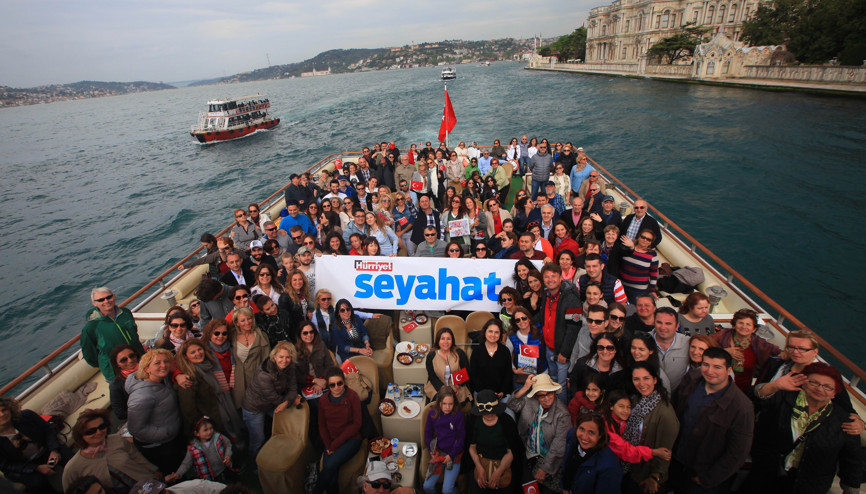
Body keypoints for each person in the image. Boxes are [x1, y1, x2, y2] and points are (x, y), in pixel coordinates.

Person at [747, 362, 864, 494]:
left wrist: (851, 488)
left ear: (834, 393)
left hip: (810, 484)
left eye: (827, 387)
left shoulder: (844, 420)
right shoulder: (782, 398)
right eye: (814, 383)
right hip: (766, 473)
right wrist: (774, 386)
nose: (819, 389)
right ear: (803, 382)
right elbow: (751, 398)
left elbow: (851, 458)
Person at [671, 347, 754, 494]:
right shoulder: (692, 379)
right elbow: (674, 408)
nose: (709, 371)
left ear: (729, 370)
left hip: (702, 475)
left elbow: (737, 452)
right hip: (677, 461)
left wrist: (708, 479)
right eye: (706, 365)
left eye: (717, 367)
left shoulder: (742, 407)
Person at [62, 409, 156, 493]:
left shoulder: (116, 439)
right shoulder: (72, 468)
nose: (98, 432)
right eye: (91, 431)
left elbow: (136, 456)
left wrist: (154, 471)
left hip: (149, 486)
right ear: (80, 436)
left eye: (102, 426)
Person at [621, 362, 679, 494]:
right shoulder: (637, 400)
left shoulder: (665, 414)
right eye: (636, 379)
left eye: (646, 378)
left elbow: (665, 452)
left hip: (644, 476)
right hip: (631, 467)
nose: (641, 383)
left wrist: (655, 477)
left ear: (655, 380)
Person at [125, 349, 185, 474]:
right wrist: (166, 433)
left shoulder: (163, 379)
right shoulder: (142, 396)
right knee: (172, 472)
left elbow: (174, 367)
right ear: (147, 369)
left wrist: (178, 375)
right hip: (159, 446)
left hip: (173, 436)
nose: (163, 365)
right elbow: (136, 429)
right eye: (157, 363)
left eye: (166, 361)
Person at [508, 374, 570, 494]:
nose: (546, 398)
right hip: (529, 455)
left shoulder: (562, 414)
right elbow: (512, 405)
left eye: (549, 393)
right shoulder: (529, 401)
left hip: (549, 461)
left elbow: (559, 445)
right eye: (541, 395)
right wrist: (525, 388)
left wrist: (544, 469)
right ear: (536, 396)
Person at [241, 341, 300, 463]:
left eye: (288, 357)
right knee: (258, 439)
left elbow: (293, 388)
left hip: (273, 403)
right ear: (274, 357)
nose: (285, 360)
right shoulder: (264, 374)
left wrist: (287, 401)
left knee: (287, 426)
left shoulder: (290, 367)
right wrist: (287, 402)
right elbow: (273, 398)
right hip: (254, 408)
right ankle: (255, 465)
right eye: (281, 357)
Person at [174, 339, 243, 441]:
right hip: (208, 421)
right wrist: (201, 425)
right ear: (185, 356)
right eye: (192, 352)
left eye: (199, 349)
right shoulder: (188, 377)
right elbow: (188, 408)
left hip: (220, 411)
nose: (198, 353)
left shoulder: (208, 366)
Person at [0, 397, 71, 493]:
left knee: (70, 459)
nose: (2, 414)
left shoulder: (26, 416)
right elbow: (5, 465)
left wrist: (54, 450)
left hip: (46, 450)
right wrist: (36, 468)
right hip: (23, 465)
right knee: (37, 483)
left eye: (4, 410)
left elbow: (48, 430)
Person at [533, 263, 581, 402]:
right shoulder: (547, 295)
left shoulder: (571, 299)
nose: (550, 279)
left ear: (561, 278)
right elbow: (542, 317)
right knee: (552, 382)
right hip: (549, 348)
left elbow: (573, 328)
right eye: (546, 277)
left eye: (553, 276)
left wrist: (564, 352)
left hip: (562, 353)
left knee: (561, 386)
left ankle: (562, 415)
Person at [81, 286, 145, 381]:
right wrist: (107, 364)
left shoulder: (126, 313)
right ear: (94, 303)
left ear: (114, 296)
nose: (106, 301)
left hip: (137, 360)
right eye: (101, 300)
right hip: (115, 372)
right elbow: (90, 355)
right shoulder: (91, 327)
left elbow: (135, 334)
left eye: (109, 297)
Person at [316, 367, 362, 494]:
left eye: (339, 383)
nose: (336, 387)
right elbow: (322, 425)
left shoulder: (352, 396)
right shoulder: (323, 400)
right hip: (330, 440)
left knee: (329, 466)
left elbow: (357, 424)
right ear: (328, 385)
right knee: (331, 477)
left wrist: (334, 445)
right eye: (332, 385)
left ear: (344, 382)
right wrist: (328, 444)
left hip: (351, 439)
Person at [712, 308, 781, 392]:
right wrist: (723, 352)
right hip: (717, 386)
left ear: (754, 329)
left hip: (742, 390)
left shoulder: (759, 343)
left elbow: (779, 352)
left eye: (748, 324)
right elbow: (702, 346)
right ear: (734, 325)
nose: (744, 327)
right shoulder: (721, 336)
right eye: (741, 323)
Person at [600, 389, 673, 468]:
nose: (626, 411)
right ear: (611, 406)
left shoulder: (621, 422)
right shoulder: (606, 428)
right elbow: (626, 450)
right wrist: (654, 452)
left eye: (628, 407)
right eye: (621, 406)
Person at [561, 413, 623, 494]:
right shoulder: (573, 438)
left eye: (591, 432)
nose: (584, 437)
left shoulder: (609, 466)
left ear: (600, 435)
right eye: (582, 429)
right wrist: (565, 488)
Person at [423, 386, 465, 494]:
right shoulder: (432, 413)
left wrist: (451, 455)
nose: (447, 407)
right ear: (439, 402)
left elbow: (461, 439)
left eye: (450, 404)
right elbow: (428, 433)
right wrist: (432, 451)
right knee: (427, 486)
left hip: (453, 454)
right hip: (438, 452)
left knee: (447, 491)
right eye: (444, 404)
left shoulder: (458, 415)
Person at [169, 416, 235, 483]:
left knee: (234, 484)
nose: (209, 432)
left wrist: (228, 455)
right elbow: (186, 464)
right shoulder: (192, 449)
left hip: (225, 469)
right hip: (208, 478)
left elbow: (228, 445)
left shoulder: (218, 437)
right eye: (205, 430)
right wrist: (178, 474)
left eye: (211, 428)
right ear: (196, 433)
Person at [230, 307, 271, 408]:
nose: (247, 322)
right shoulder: (231, 337)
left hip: (257, 378)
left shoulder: (261, 336)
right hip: (238, 379)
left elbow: (266, 360)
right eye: (243, 320)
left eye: (249, 318)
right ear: (237, 322)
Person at [569, 332, 624, 400]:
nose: (605, 351)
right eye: (601, 347)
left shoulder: (620, 372)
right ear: (596, 349)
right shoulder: (582, 364)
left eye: (610, 348)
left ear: (615, 350)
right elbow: (573, 385)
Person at [425, 328, 471, 404]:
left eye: (448, 339)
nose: (446, 342)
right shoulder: (431, 355)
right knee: (441, 402)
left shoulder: (460, 353)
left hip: (457, 386)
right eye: (442, 339)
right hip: (438, 386)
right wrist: (444, 389)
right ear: (438, 341)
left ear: (452, 341)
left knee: (454, 404)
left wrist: (457, 385)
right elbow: (432, 376)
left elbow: (466, 372)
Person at [469, 319, 513, 399]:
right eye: (490, 331)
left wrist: (502, 391)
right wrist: (486, 393)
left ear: (500, 334)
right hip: (482, 393)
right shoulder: (477, 351)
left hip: (501, 394)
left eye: (496, 332)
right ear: (485, 332)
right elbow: (474, 375)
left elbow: (508, 374)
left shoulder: (505, 351)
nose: (493, 335)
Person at [506, 306, 547, 389]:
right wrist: (514, 370)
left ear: (529, 319)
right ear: (515, 323)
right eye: (518, 320)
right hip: (522, 377)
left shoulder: (541, 332)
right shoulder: (511, 337)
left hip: (541, 374)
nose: (521, 321)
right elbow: (507, 356)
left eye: (524, 318)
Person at [652, 307, 690, 390]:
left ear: (677, 326)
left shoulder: (688, 343)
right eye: (659, 322)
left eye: (668, 323)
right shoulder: (642, 342)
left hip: (678, 398)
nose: (663, 327)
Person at [108, 344, 142, 421]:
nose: (130, 360)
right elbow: (120, 413)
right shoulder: (116, 385)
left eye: (132, 356)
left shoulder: (150, 369)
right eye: (123, 360)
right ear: (117, 364)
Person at [278, 269, 313, 341]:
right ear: (290, 282)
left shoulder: (303, 293)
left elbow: (303, 308)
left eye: (300, 279)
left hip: (304, 329)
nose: (298, 282)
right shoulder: (285, 296)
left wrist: (308, 311)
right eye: (295, 280)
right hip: (294, 333)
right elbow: (284, 319)